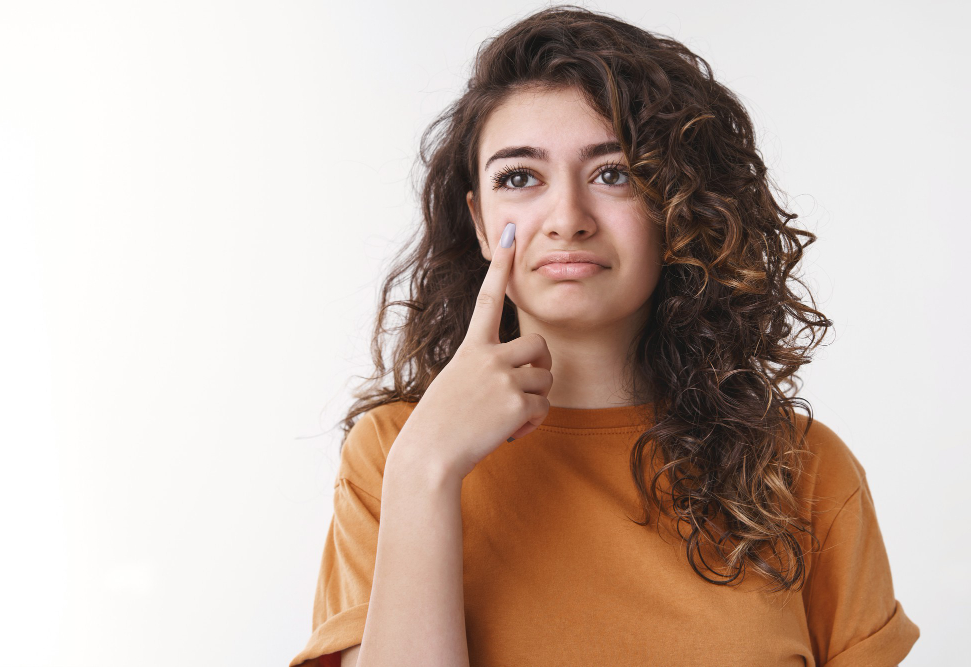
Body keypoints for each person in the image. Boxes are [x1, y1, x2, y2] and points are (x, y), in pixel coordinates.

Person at [289, 5, 920, 666]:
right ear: (479, 221)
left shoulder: (806, 469)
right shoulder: (396, 455)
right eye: (519, 177)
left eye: (613, 174)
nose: (566, 217)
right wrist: (425, 471)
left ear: (676, 206)